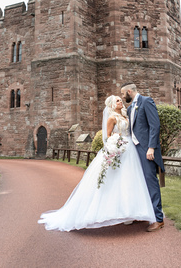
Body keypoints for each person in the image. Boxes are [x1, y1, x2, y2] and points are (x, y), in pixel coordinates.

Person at [38, 95, 155, 231]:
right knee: (116, 180)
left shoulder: (125, 116)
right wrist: (116, 143)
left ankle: (132, 211)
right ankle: (116, 211)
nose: (120, 102)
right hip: (120, 149)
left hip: (130, 151)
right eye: (117, 101)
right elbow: (108, 136)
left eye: (120, 100)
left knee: (131, 179)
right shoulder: (112, 118)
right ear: (112, 104)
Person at [120, 82, 165, 232]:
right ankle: (142, 213)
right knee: (138, 182)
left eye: (122, 94)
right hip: (134, 150)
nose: (122, 96)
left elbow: (155, 125)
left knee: (150, 181)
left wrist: (151, 147)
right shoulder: (131, 107)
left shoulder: (146, 101)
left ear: (129, 91)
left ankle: (158, 219)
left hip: (146, 150)